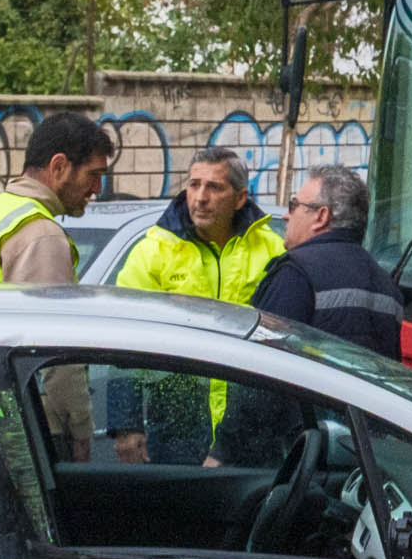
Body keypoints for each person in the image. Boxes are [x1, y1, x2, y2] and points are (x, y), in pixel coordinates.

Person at [113, 151, 291, 462]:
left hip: (248, 426)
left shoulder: (271, 249)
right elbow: (123, 338)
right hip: (177, 423)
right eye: (194, 185)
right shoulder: (154, 250)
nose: (200, 197)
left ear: (240, 198)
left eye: (215, 187)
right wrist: (126, 425)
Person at [0, 113, 114, 285]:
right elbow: (48, 311)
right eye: (93, 174)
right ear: (58, 167)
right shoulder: (43, 235)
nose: (97, 188)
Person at [269, 165, 402, 359]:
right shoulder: (386, 284)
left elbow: (266, 359)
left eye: (294, 206)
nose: (285, 216)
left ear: (321, 216)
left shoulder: (296, 272)